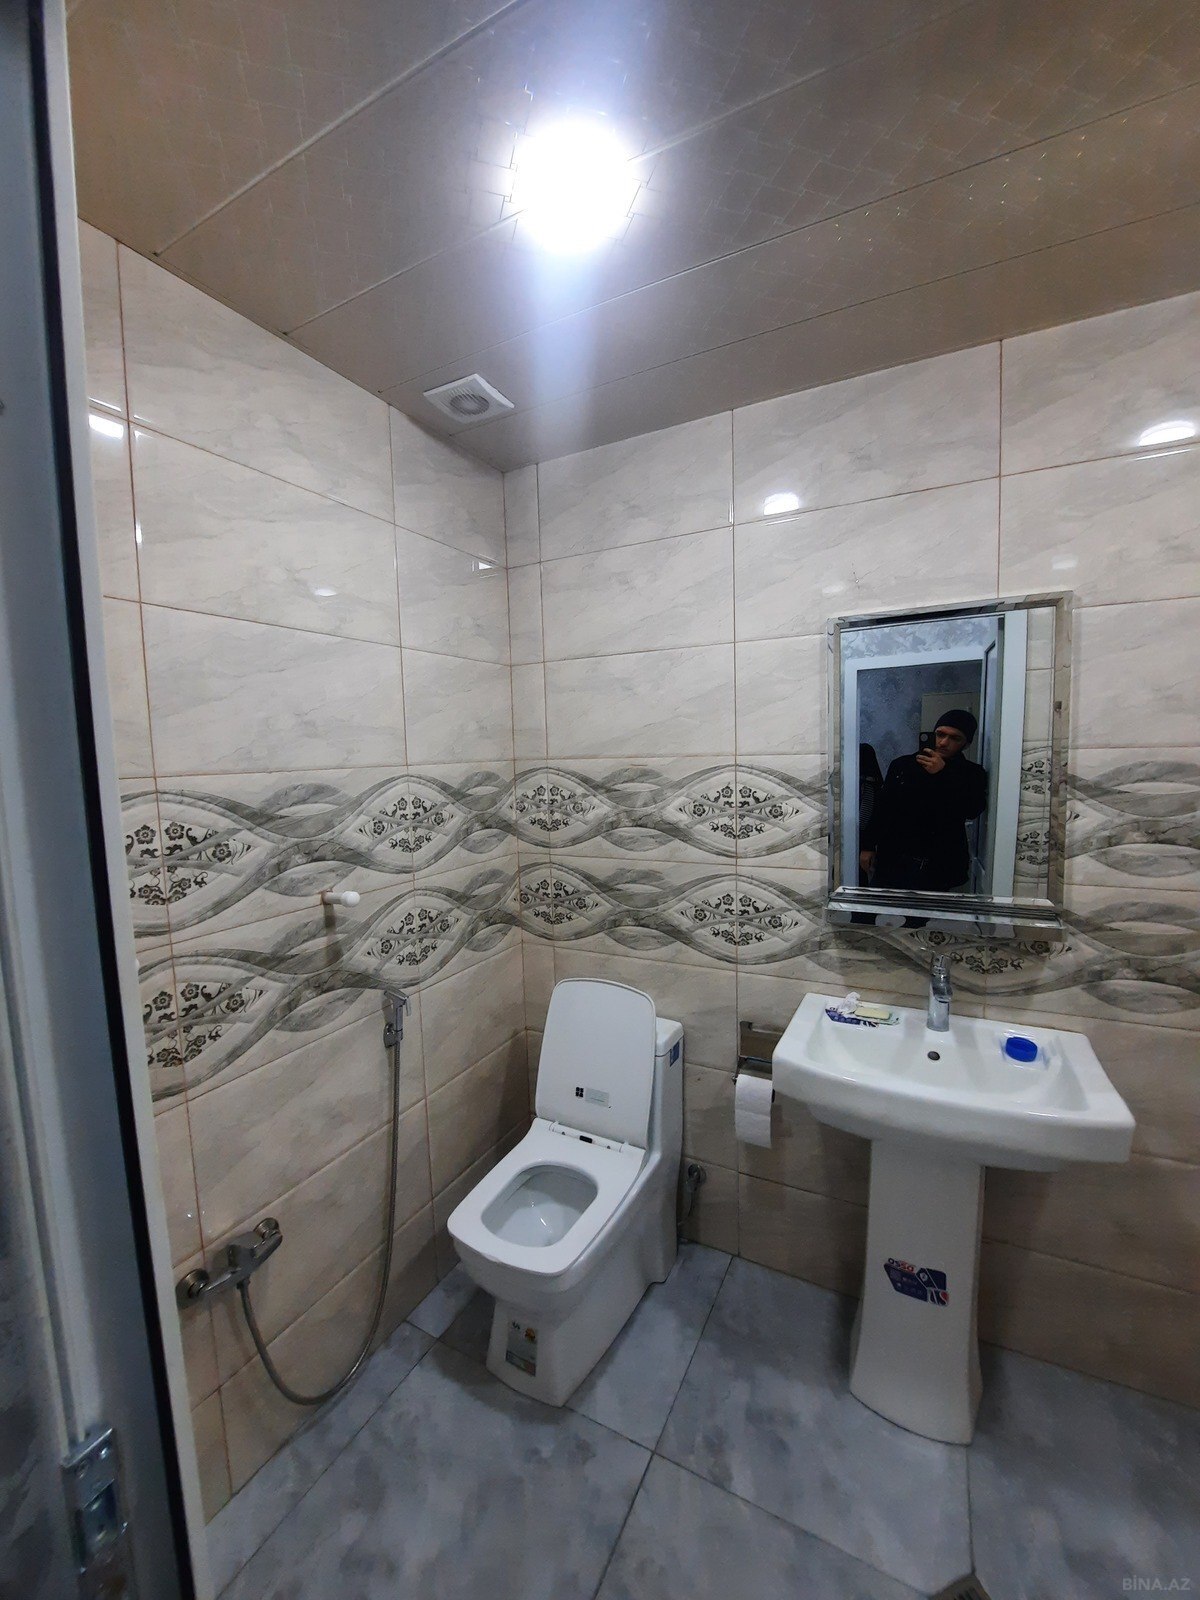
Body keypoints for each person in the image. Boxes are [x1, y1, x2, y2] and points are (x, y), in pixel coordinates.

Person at [859, 709, 987, 893]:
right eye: (940, 734)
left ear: (966, 744)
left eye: (954, 738)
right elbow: (883, 807)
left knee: (929, 911)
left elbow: (972, 810)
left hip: (939, 863)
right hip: (895, 857)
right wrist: (868, 846)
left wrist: (943, 774)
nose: (943, 742)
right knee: (883, 907)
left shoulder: (972, 773)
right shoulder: (902, 765)